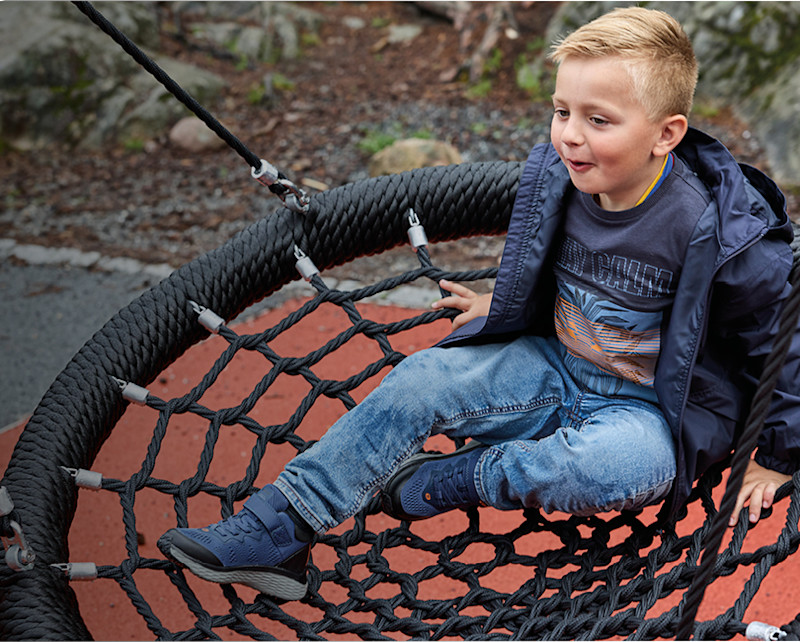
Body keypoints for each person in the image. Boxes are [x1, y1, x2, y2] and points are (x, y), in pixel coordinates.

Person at [157, 7, 800, 601]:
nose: (569, 137)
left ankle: (440, 482)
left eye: (598, 120)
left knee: (621, 467)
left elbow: (781, 340)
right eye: (561, 111)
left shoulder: (717, 229)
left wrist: (775, 457)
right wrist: (506, 302)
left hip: (653, 410)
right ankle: (281, 525)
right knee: (422, 379)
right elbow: (557, 266)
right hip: (553, 366)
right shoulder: (560, 178)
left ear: (667, 134)